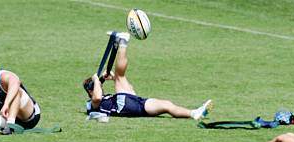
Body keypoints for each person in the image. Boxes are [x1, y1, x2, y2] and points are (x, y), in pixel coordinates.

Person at [84, 32, 212, 120]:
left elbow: (106, 93)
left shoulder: (105, 98)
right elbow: (96, 98)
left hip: (135, 103)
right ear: (90, 90)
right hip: (125, 105)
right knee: (120, 76)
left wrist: (107, 79)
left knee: (167, 105)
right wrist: (96, 80)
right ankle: (122, 42)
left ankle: (194, 113)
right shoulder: (93, 103)